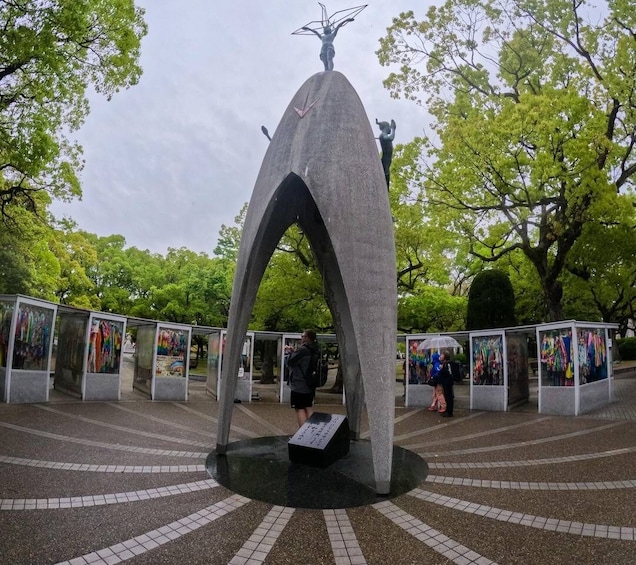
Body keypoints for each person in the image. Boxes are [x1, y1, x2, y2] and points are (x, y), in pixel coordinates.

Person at [285, 329, 320, 428]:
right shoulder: (314, 349)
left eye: (302, 336)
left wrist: (288, 352)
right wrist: (293, 352)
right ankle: (313, 431)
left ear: (307, 338)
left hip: (299, 384)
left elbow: (291, 361)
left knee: (299, 408)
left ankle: (303, 435)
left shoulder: (303, 350)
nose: (301, 338)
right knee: (308, 407)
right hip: (310, 383)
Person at [376, 119, 396, 188]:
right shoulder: (383, 135)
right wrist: (393, 129)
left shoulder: (383, 135)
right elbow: (390, 138)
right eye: (389, 127)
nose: (390, 128)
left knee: (386, 179)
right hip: (385, 160)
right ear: (386, 127)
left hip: (387, 161)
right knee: (386, 178)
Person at [438, 351, 454, 417]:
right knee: (446, 397)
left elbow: (449, 373)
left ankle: (449, 412)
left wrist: (442, 369)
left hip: (448, 383)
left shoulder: (447, 364)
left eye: (442, 355)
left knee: (449, 397)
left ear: (445, 357)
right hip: (445, 382)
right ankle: (447, 410)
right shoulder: (444, 364)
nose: (440, 356)